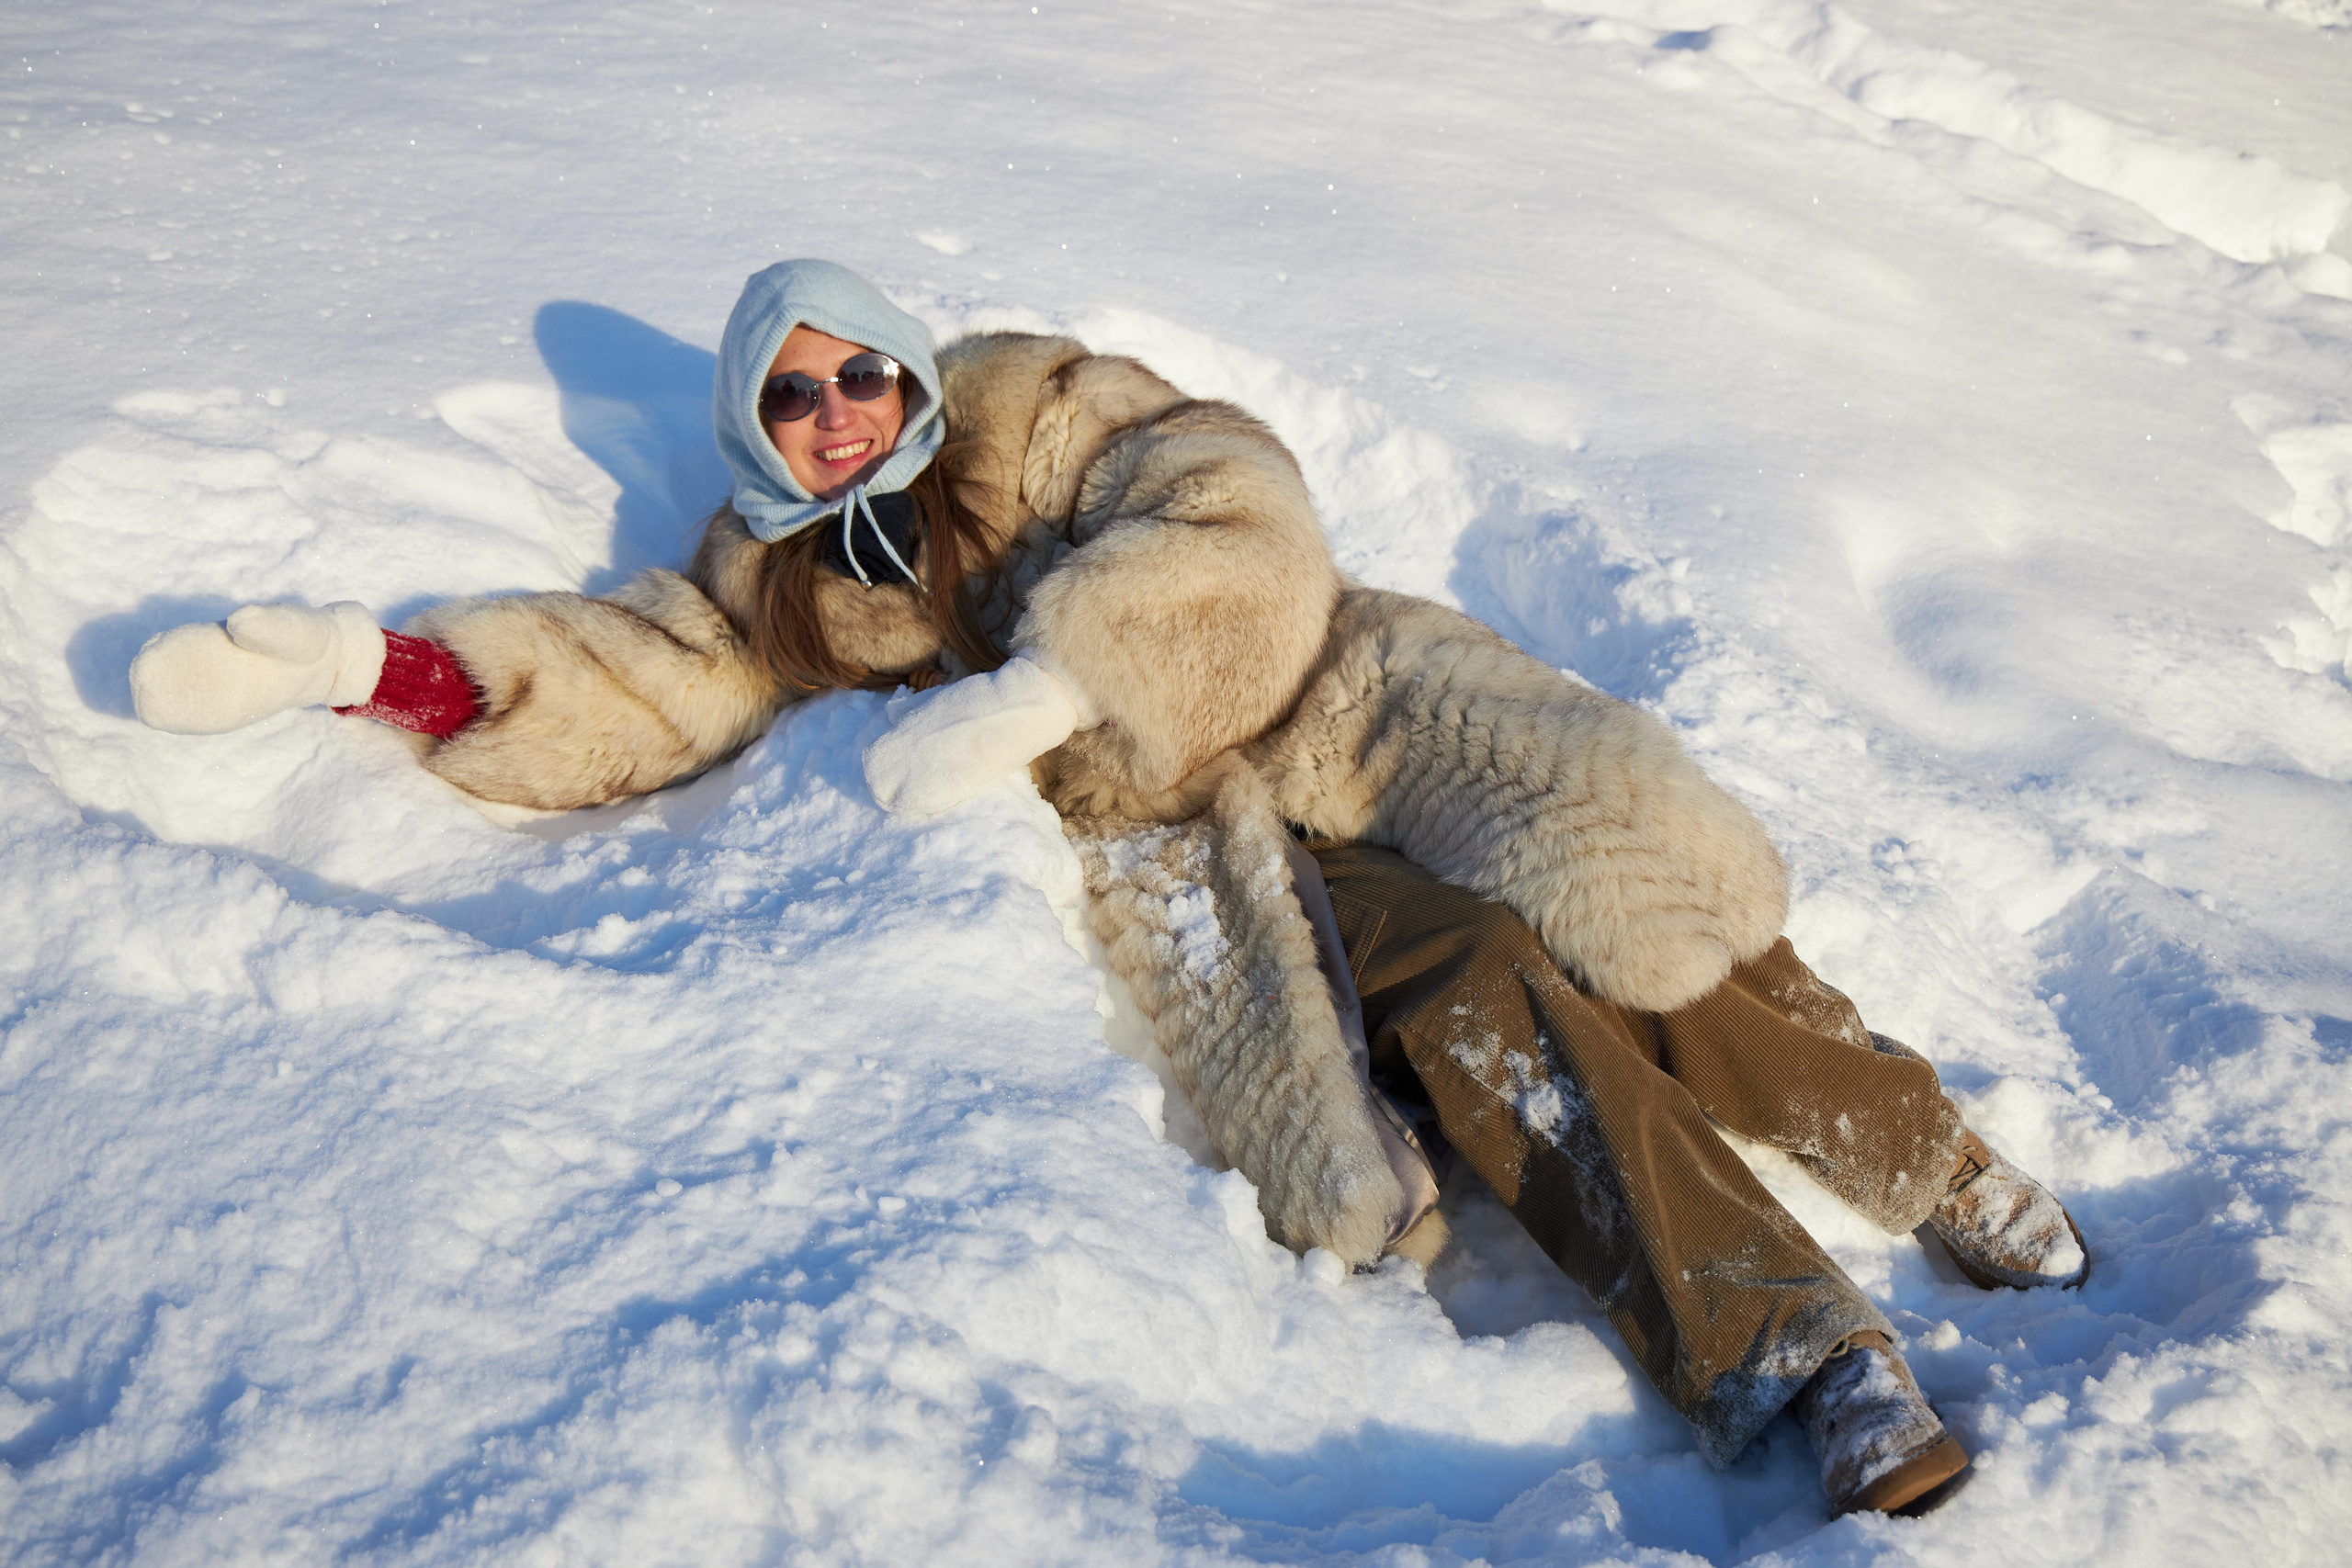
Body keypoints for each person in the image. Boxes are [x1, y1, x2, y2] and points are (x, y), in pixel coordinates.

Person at [129, 258, 2086, 1517]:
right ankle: (1805, 1355)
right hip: (1199, 839)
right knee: (1483, 988)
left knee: (1620, 877)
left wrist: (1070, 671)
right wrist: (374, 671)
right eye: (791, 402)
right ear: (758, 433)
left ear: (898, 359)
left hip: (1339, 692)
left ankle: (1927, 1153)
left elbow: (1224, 479)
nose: (834, 415)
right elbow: (636, 680)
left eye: (850, 375)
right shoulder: (773, 584)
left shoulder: (1026, 402)